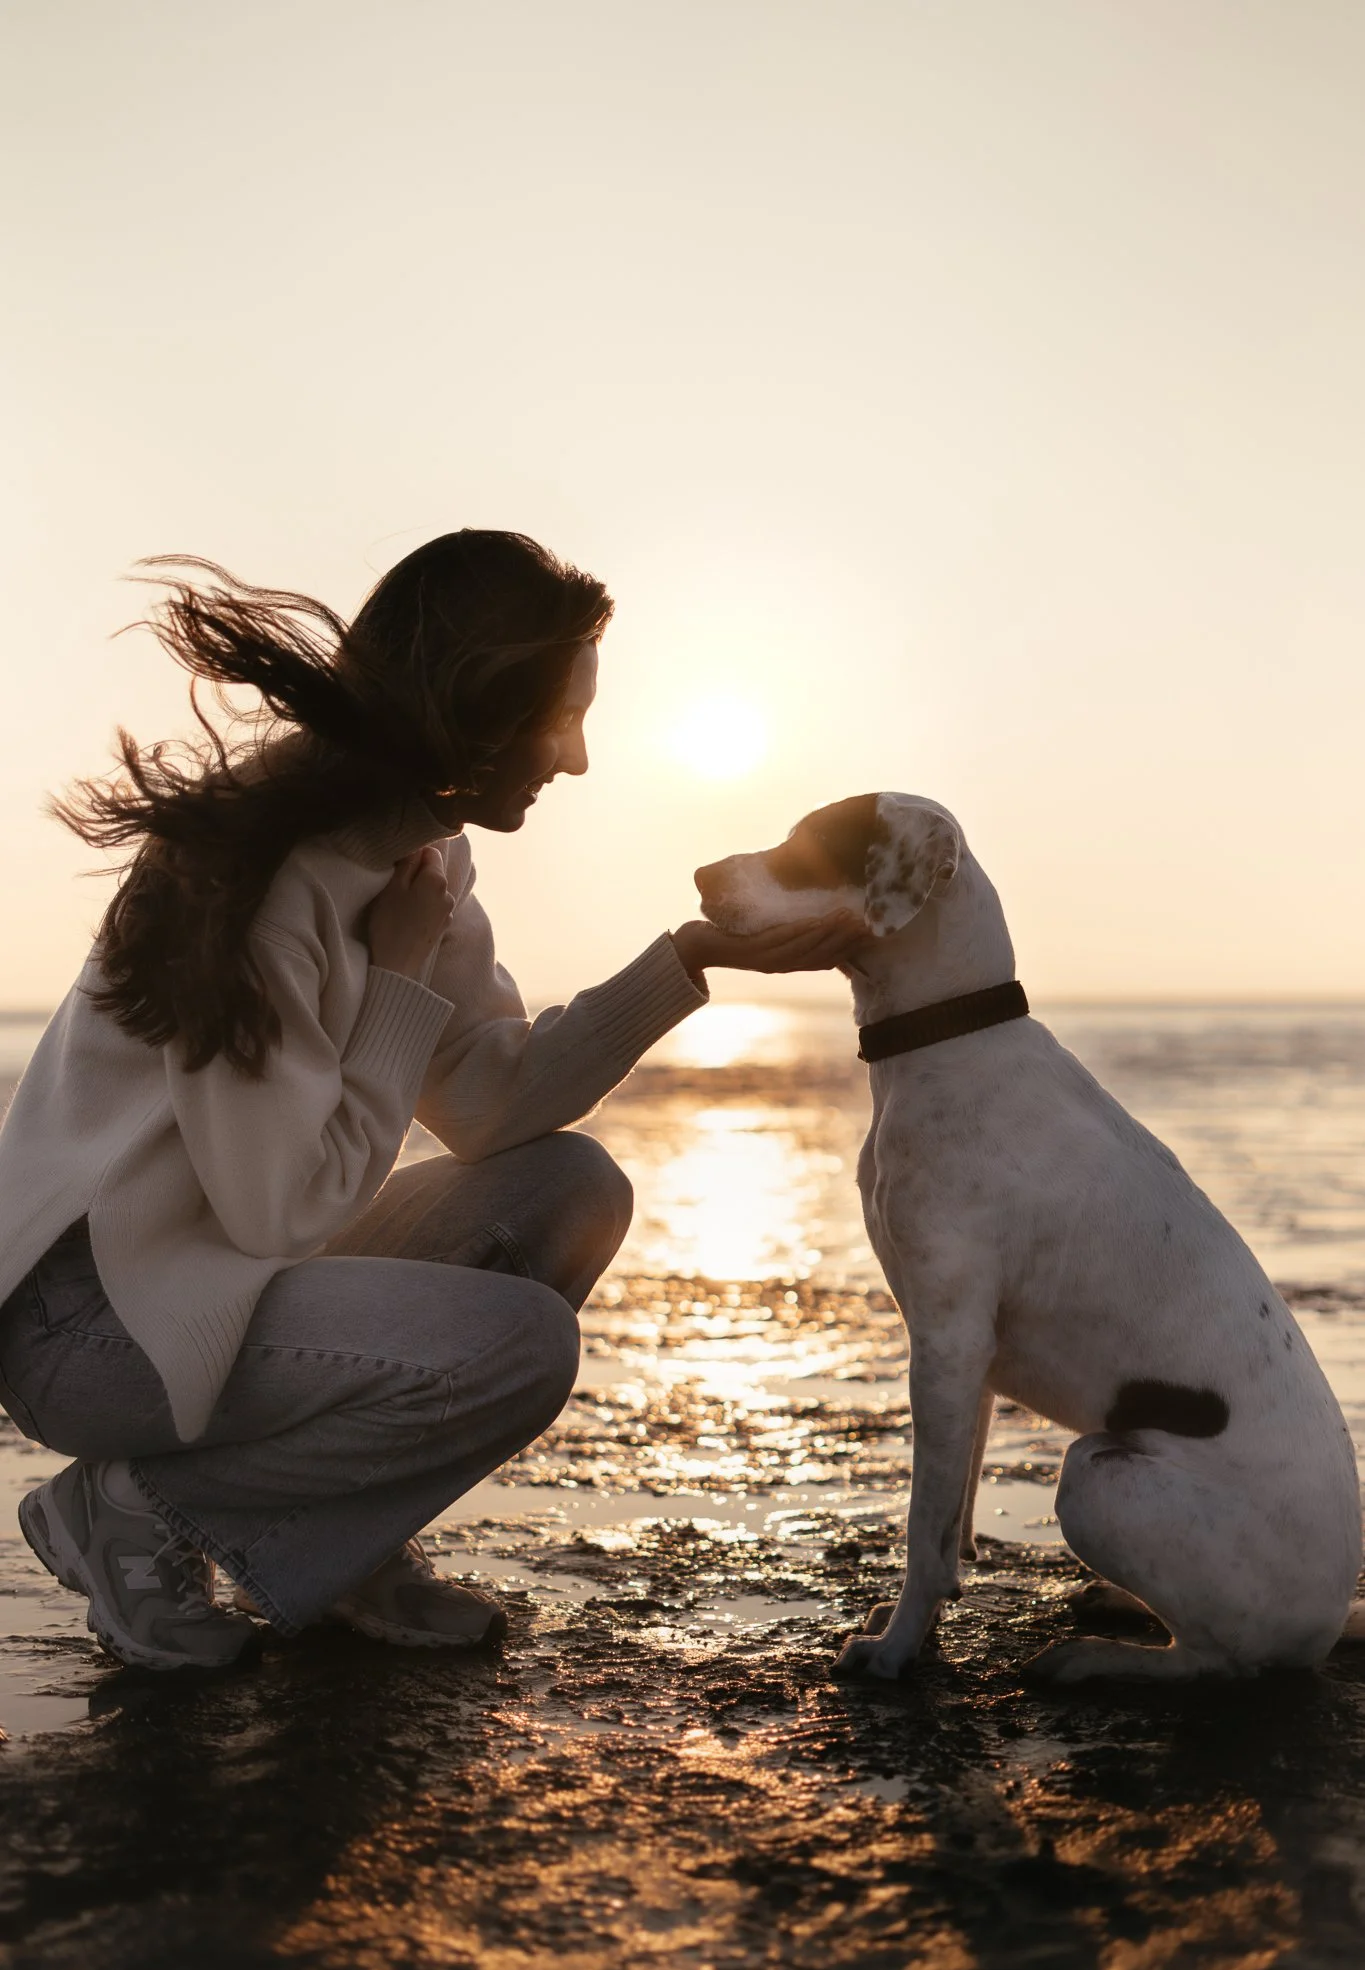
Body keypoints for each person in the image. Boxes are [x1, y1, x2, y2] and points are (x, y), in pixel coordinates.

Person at [0, 531, 864, 1671]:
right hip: (99, 1321)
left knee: (570, 1186)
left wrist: (689, 960)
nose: (580, 757)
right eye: (561, 719)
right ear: (475, 707)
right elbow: (282, 1210)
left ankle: (339, 1542)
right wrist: (398, 980)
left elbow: (490, 1105)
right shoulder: (261, 879)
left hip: (216, 1270)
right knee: (516, 1346)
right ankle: (131, 1509)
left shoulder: (423, 859)